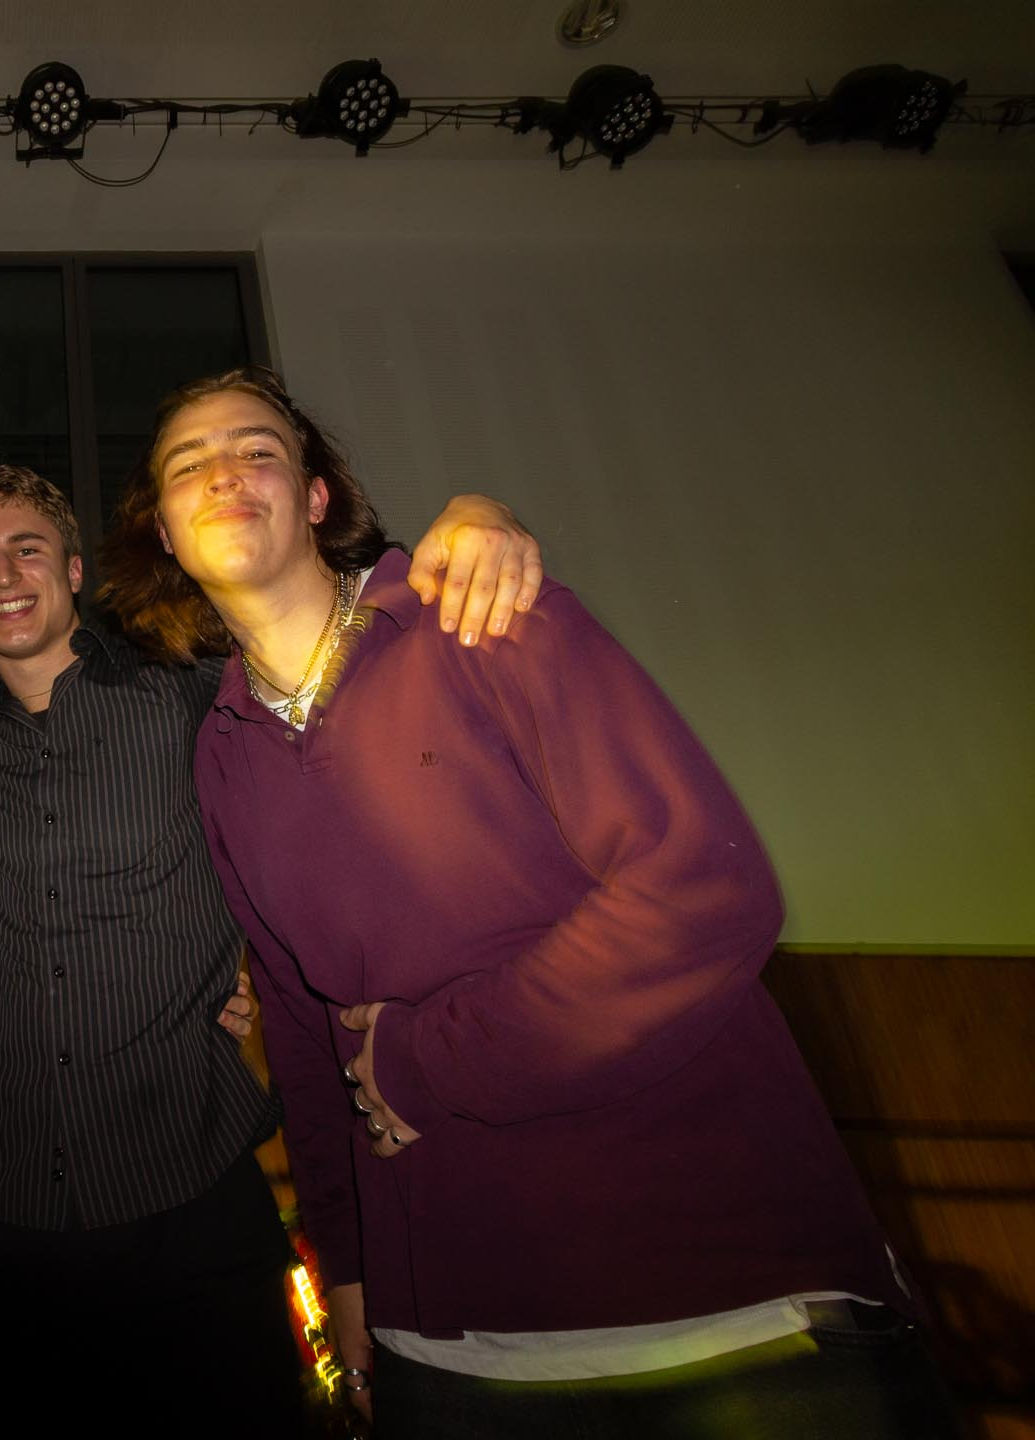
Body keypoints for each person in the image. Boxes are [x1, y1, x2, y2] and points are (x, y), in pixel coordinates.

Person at [107, 365, 952, 1437]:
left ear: (316, 497)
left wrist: (427, 1061)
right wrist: (352, 1271)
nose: (225, 473)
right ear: (166, 533)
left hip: (732, 1311)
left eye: (257, 450)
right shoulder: (221, 756)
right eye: (189, 465)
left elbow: (706, 888)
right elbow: (307, 1031)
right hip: (446, 1347)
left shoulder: (484, 617)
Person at [0, 463, 542, 1437]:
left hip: (189, 1200)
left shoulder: (186, 695)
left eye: (26, 549)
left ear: (75, 570)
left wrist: (477, 514)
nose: (2, 574)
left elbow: (326, 650)